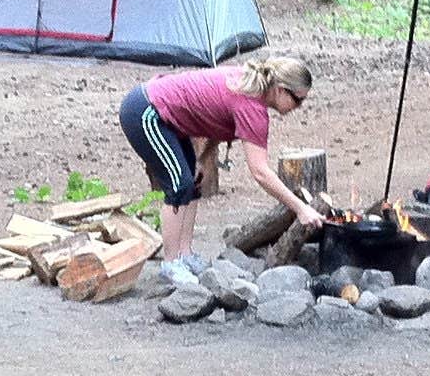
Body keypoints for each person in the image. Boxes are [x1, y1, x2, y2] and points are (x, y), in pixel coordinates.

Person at [118, 56, 322, 265]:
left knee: (193, 182)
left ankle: (186, 255)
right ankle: (171, 264)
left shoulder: (250, 86)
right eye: (298, 100)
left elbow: (214, 119)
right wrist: (301, 208)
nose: (299, 106)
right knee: (179, 186)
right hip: (146, 112)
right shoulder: (252, 108)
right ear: (280, 89)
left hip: (167, 116)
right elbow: (260, 172)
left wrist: (202, 159)